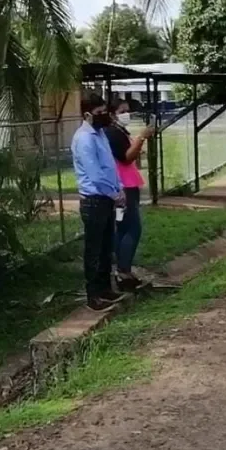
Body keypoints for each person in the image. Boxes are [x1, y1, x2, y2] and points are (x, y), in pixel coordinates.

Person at [72, 95, 127, 311]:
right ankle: (92, 295)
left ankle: (105, 289)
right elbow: (95, 174)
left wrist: (119, 187)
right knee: (94, 250)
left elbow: (110, 166)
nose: (104, 116)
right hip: (94, 200)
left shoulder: (101, 134)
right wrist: (113, 194)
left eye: (105, 111)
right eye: (99, 112)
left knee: (106, 247)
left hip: (107, 197)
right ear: (87, 115)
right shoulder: (84, 138)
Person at [104, 99, 155, 291]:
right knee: (132, 228)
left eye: (127, 111)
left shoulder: (118, 132)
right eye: (122, 111)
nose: (126, 114)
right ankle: (123, 270)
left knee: (123, 227)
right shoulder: (112, 133)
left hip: (126, 183)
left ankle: (122, 269)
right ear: (112, 114)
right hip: (124, 185)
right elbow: (126, 157)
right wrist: (141, 137)